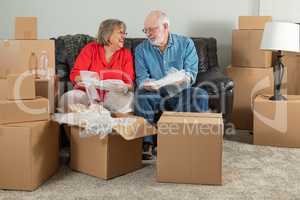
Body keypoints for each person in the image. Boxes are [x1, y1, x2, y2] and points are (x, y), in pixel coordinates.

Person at [134, 10, 209, 158]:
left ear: (166, 26)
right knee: (141, 95)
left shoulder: (186, 44)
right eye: (145, 30)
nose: (148, 33)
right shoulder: (141, 49)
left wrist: (178, 79)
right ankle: (147, 144)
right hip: (155, 93)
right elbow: (141, 78)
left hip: (180, 91)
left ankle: (183, 140)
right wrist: (148, 84)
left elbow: (190, 75)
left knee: (200, 94)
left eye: (152, 29)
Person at [59, 19, 135, 113]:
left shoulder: (125, 54)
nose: (124, 36)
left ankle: (102, 118)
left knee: (129, 100)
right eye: (121, 33)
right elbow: (75, 74)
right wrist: (83, 80)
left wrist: (124, 87)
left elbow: (129, 82)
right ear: (108, 34)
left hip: (114, 96)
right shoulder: (90, 49)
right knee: (68, 99)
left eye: (124, 33)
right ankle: (86, 120)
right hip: (88, 94)